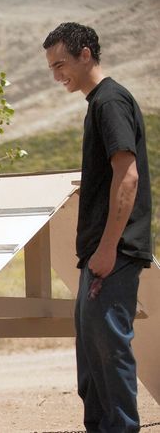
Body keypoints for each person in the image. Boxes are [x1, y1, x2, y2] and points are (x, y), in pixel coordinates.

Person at [44, 22, 152, 432]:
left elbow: (128, 176)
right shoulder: (98, 103)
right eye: (52, 68)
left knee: (109, 351)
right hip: (99, 251)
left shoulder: (109, 101)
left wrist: (108, 248)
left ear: (85, 53)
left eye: (61, 64)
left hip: (115, 251)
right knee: (92, 356)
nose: (57, 76)